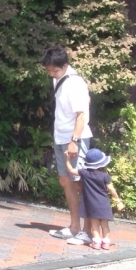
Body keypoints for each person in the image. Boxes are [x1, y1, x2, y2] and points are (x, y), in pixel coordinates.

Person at [42, 46, 94, 244]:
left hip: (74, 139)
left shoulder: (75, 83)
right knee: (66, 181)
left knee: (81, 183)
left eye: (54, 70)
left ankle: (88, 232)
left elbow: (81, 115)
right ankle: (74, 227)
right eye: (48, 70)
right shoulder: (58, 79)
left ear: (65, 65)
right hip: (60, 137)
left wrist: (75, 141)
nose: (51, 73)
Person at [79, 148, 123, 251]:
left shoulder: (85, 174)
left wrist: (67, 159)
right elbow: (111, 189)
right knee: (104, 225)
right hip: (104, 204)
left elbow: (72, 170)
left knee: (94, 224)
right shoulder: (105, 176)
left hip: (92, 205)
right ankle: (106, 243)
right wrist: (118, 200)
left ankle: (96, 243)